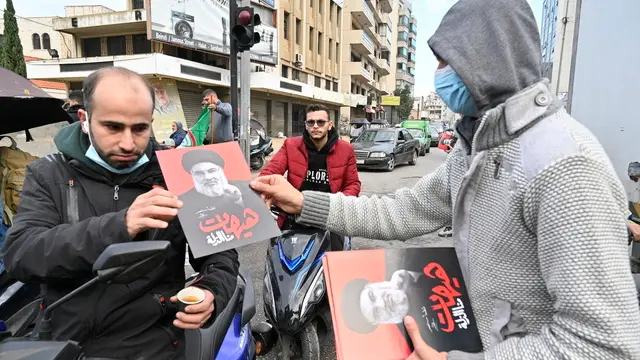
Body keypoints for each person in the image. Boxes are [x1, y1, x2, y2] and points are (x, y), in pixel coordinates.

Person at [249, 0, 640, 359]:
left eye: (444, 62)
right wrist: (303, 202)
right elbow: (402, 213)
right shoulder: (475, 150)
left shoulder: (565, 163)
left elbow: (602, 342)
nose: (438, 76)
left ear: (484, 58)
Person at [0, 66, 239, 360]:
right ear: (85, 120)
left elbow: (221, 253)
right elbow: (21, 255)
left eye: (140, 129)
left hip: (154, 345)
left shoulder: (179, 173)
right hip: (65, 344)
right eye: (113, 127)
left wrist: (213, 292)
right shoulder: (48, 173)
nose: (128, 143)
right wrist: (119, 226)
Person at [259, 104, 361, 232]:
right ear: (305, 125)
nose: (316, 126)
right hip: (295, 214)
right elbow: (270, 172)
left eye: (320, 122)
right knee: (278, 249)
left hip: (330, 216)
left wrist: (339, 207)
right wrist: (264, 189)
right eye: (311, 122)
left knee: (336, 250)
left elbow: (352, 184)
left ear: (330, 125)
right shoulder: (291, 145)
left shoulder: (346, 149)